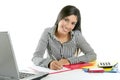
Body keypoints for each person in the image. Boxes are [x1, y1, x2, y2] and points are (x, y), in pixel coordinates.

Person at [32, 5, 97, 70]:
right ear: (60, 17)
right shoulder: (47, 32)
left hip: (70, 74)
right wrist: (49, 63)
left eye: (73, 23)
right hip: (51, 73)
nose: (68, 26)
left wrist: (69, 61)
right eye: (66, 20)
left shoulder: (76, 35)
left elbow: (92, 55)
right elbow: (36, 57)